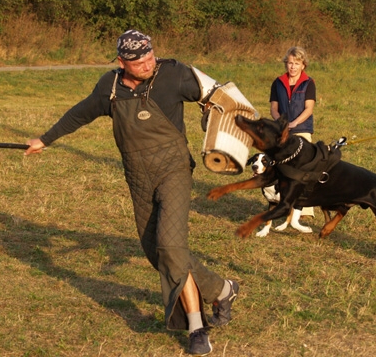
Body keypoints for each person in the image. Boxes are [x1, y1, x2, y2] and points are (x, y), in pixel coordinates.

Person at [24, 30, 238, 356]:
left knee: (171, 246)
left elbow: (221, 96)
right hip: (138, 180)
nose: (149, 64)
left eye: (151, 56)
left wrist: (216, 117)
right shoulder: (109, 89)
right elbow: (79, 113)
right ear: (123, 62)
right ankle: (222, 290)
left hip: (175, 172)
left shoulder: (174, 74)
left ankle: (196, 327)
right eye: (140, 62)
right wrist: (45, 139)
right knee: (157, 253)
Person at [269, 46, 316, 218]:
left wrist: (295, 123)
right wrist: (280, 122)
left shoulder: (309, 83)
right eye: (290, 63)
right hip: (283, 131)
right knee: (282, 167)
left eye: (296, 63)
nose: (293, 67)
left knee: (303, 169)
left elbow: (309, 108)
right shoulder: (278, 82)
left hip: (302, 130)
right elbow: (274, 108)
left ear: (303, 65)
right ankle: (282, 203)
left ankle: (304, 208)